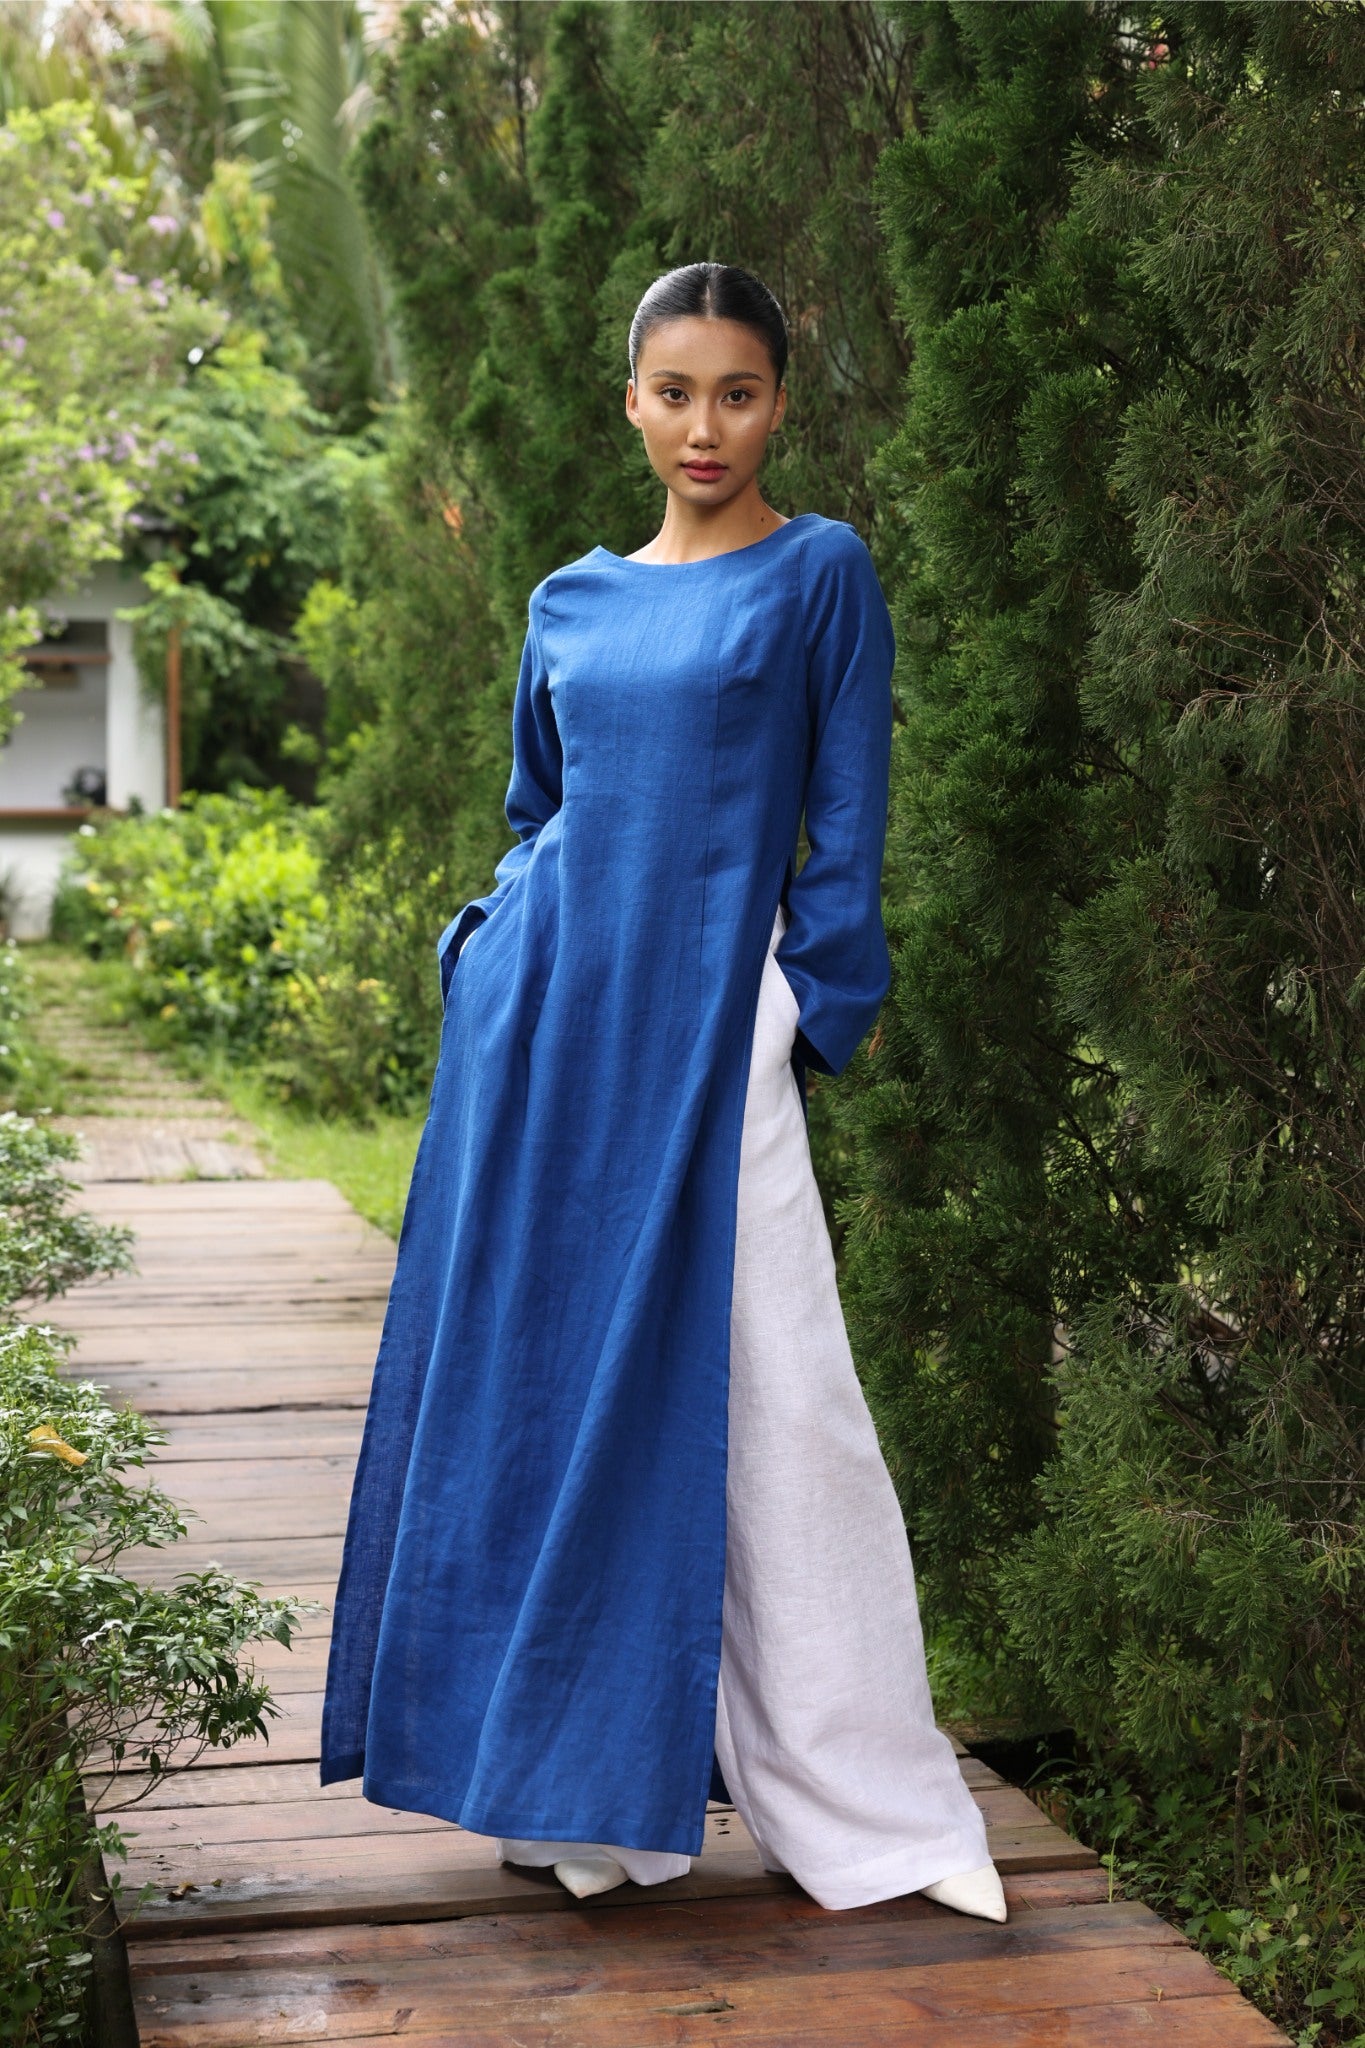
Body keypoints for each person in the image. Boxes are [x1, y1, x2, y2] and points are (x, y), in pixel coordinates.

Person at [320, 261, 1006, 1924]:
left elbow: (845, 824)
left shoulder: (818, 574)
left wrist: (793, 1008)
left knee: (789, 1411)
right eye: (675, 392)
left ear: (781, 402)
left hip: (713, 1038)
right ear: (629, 401)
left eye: (740, 393)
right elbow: (534, 803)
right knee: (541, 1386)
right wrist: (485, 957)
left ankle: (878, 1809)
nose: (706, 426)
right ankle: (583, 1799)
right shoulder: (570, 600)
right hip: (545, 1037)